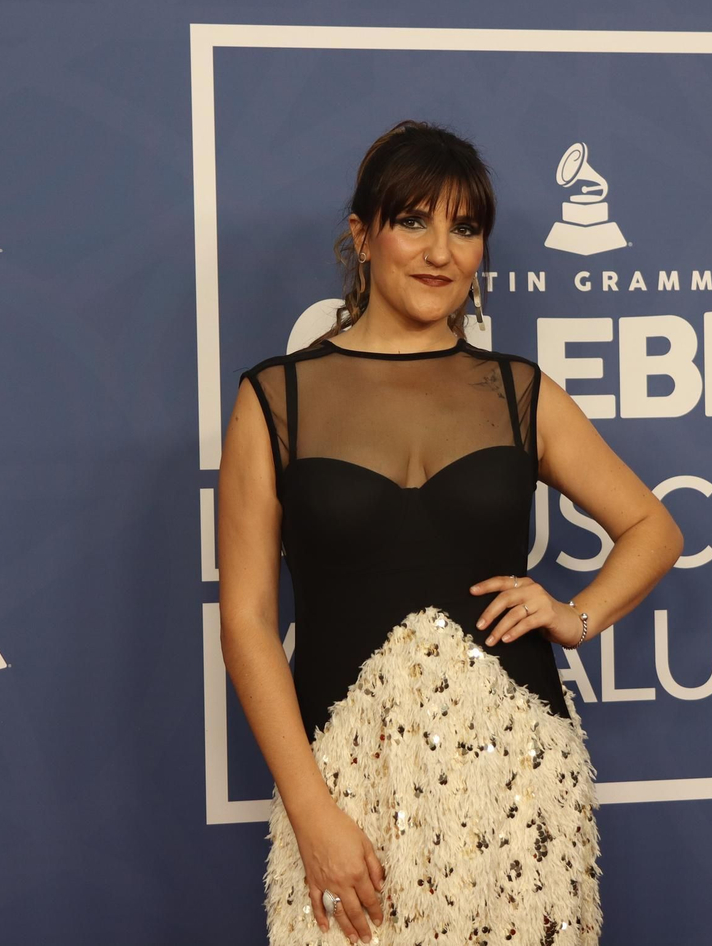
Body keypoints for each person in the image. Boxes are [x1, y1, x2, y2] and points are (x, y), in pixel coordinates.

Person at [219, 120, 683, 945]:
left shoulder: (517, 392)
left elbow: (653, 528)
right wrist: (312, 812)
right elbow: (248, 621)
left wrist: (575, 616)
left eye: (465, 229)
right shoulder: (275, 400)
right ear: (362, 236)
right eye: (414, 221)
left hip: (518, 787)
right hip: (344, 787)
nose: (441, 251)